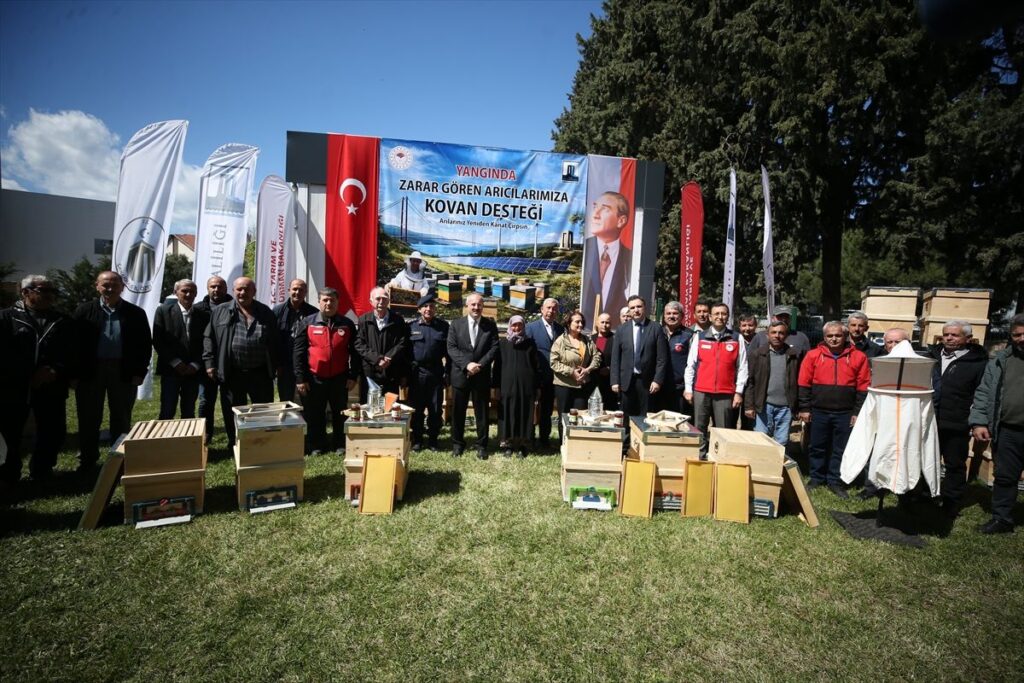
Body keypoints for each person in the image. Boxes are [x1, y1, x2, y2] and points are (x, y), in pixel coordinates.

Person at [0, 275, 76, 484]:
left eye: (53, 292)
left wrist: (53, 369)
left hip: (51, 385)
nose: (51, 296)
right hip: (14, 387)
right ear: (25, 292)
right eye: (44, 291)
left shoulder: (62, 321)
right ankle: (9, 473)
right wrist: (27, 374)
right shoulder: (6, 318)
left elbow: (71, 352)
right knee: (10, 431)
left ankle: (42, 469)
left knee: (53, 430)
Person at [73, 271, 151, 471]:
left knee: (121, 417)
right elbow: (73, 344)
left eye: (115, 285)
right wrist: (74, 374)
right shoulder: (84, 311)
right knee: (89, 416)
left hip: (123, 370)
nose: (110, 288)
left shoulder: (135, 313)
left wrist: (139, 372)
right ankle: (87, 459)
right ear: (97, 286)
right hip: (91, 370)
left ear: (122, 287)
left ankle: (119, 460)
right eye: (105, 285)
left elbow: (144, 345)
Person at [203, 277, 282, 447]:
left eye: (247, 289)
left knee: (263, 409)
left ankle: (261, 442)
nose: (243, 292)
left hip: (260, 372)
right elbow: (209, 338)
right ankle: (235, 442)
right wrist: (210, 364)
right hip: (232, 372)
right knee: (233, 410)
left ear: (254, 292)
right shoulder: (220, 311)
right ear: (233, 291)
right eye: (239, 289)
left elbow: (275, 340)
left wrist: (277, 364)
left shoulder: (265, 312)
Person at [798, 321, 870, 498]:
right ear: (824, 337)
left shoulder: (858, 357)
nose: (834, 339)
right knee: (817, 446)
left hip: (845, 412)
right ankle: (816, 478)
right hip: (818, 410)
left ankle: (835, 480)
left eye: (838, 335)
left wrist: (857, 412)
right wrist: (805, 408)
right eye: (830, 336)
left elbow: (863, 386)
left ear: (845, 336)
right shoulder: (813, 355)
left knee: (840, 448)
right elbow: (804, 382)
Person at [924, 321, 985, 517]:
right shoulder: (931, 356)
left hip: (957, 422)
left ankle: (951, 501)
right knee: (927, 459)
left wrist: (976, 420)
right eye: (946, 334)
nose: (949, 338)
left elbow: (981, 393)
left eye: (955, 335)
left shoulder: (978, 362)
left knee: (955, 464)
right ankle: (925, 495)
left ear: (968, 338)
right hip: (930, 420)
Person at [971, 314, 1024, 534]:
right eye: (1017, 334)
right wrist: (979, 422)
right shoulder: (1001, 360)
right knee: (1004, 476)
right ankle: (1002, 519)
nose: (1022, 338)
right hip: (1008, 430)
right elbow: (984, 392)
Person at [293, 288, 358, 454]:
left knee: (340, 413)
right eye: (325, 300)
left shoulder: (347, 324)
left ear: (338, 302)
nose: (329, 303)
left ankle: (339, 443)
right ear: (319, 302)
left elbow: (355, 352)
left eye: (332, 300)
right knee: (315, 413)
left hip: (339, 377)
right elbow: (298, 352)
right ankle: (316, 444)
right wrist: (300, 378)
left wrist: (353, 375)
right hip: (314, 377)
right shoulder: (307, 322)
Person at [684, 302, 748, 458]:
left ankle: (720, 459)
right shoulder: (699, 337)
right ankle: (699, 458)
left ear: (728, 317)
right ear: (710, 317)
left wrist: (739, 392)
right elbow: (690, 365)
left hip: (725, 393)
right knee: (699, 427)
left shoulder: (736, 338)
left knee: (723, 430)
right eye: (716, 314)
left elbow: (743, 367)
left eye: (723, 314)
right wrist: (688, 389)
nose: (720, 317)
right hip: (701, 391)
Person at [447, 292, 499, 459]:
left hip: (481, 376)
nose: (476, 307)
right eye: (473, 304)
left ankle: (482, 445)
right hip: (461, 375)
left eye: (479, 305)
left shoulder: (490, 325)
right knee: (458, 412)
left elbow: (494, 348)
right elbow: (451, 348)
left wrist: (480, 365)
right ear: (467, 306)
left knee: (482, 413)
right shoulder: (456, 324)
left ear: (483, 306)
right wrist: (467, 365)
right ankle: (457, 444)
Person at [609, 296, 669, 433]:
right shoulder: (621, 330)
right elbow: (616, 358)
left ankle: (641, 444)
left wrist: (657, 380)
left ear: (644, 308)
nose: (636, 310)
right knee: (625, 418)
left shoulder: (656, 328)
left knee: (645, 418)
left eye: (639, 306)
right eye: (632, 308)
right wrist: (614, 381)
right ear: (629, 311)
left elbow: (662, 358)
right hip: (626, 382)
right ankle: (626, 443)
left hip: (647, 382)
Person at [153, 279, 207, 420]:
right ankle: (165, 435)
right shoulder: (163, 311)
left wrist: (196, 364)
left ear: (196, 294)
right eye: (184, 291)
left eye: (192, 291)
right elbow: (158, 341)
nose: (188, 294)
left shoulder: (203, 315)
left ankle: (188, 434)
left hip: (193, 371)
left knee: (189, 410)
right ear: (175, 292)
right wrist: (175, 362)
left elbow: (206, 342)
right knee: (167, 410)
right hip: (171, 370)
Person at [743, 320, 802, 446]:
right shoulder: (757, 354)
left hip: (786, 407)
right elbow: (750, 382)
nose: (777, 336)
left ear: (786, 336)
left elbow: (799, 382)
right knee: (761, 441)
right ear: (767, 335)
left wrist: (799, 406)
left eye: (781, 333)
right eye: (773, 332)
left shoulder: (794, 355)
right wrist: (749, 406)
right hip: (764, 405)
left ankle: (778, 459)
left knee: (782, 442)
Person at [194, 275, 233, 444]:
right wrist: (205, 362)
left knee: (230, 402)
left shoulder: (235, 306)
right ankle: (206, 435)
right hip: (206, 364)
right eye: (213, 286)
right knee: (205, 401)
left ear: (226, 289)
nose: (216, 290)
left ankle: (233, 436)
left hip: (229, 363)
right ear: (207, 288)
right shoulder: (198, 310)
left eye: (220, 287)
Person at [581, 191, 632, 319]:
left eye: (604, 209)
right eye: (595, 207)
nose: (595, 215)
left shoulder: (630, 258)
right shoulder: (582, 250)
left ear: (621, 221)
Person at [408, 293, 449, 451]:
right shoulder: (411, 327)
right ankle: (417, 439)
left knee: (435, 409)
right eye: (425, 306)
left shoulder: (443, 327)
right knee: (417, 409)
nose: (428, 309)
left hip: (435, 373)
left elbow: (449, 353)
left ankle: (433, 440)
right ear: (419, 309)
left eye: (431, 306)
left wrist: (447, 373)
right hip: (416, 373)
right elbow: (405, 353)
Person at [354, 287, 410, 397]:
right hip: (370, 373)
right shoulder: (363, 320)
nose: (381, 302)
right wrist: (377, 359)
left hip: (391, 372)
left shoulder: (398, 320)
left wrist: (389, 357)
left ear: (388, 301)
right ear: (371, 301)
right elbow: (359, 344)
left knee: (390, 405)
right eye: (378, 299)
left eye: (384, 299)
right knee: (370, 405)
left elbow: (403, 342)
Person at [496, 315, 539, 458]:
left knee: (524, 413)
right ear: (510, 326)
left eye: (520, 325)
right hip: (507, 386)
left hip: (526, 386)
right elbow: (497, 367)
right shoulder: (503, 343)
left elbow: (536, 366)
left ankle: (522, 445)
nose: (517, 328)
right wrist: (496, 387)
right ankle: (508, 444)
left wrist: (537, 386)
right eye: (514, 325)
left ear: (524, 326)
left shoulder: (530, 343)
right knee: (508, 413)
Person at [525, 298, 564, 448]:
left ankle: (544, 439)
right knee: (532, 408)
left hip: (554, 377)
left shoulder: (561, 329)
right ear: (542, 309)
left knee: (547, 409)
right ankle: (530, 438)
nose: (551, 311)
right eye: (548, 308)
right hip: (536, 376)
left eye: (554, 309)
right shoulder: (531, 327)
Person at [550, 310, 601, 424]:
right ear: (569, 324)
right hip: (564, 386)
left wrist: (588, 370)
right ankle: (563, 436)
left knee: (580, 418)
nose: (580, 324)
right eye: (577, 322)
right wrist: (571, 372)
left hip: (582, 386)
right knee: (564, 418)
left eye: (582, 322)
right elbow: (554, 363)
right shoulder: (560, 341)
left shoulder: (587, 340)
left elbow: (597, 357)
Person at [272, 279, 317, 402]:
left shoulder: (314, 313)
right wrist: (276, 364)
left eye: (301, 290)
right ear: (289, 290)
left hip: (306, 364)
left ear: (306, 292)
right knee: (286, 400)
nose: (297, 292)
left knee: (308, 399)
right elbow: (273, 339)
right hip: (284, 364)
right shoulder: (277, 311)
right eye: (294, 289)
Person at [661, 301, 693, 414]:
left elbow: (693, 363)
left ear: (682, 316)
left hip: (679, 388)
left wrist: (688, 387)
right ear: (664, 316)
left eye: (675, 313)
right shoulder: (657, 332)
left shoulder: (689, 335)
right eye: (668, 313)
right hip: (659, 386)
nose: (671, 316)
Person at [592, 312, 618, 411]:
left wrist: (610, 369)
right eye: (602, 322)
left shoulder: (615, 339)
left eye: (607, 322)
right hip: (593, 380)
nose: (604, 325)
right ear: (597, 323)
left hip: (609, 382)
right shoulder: (591, 339)